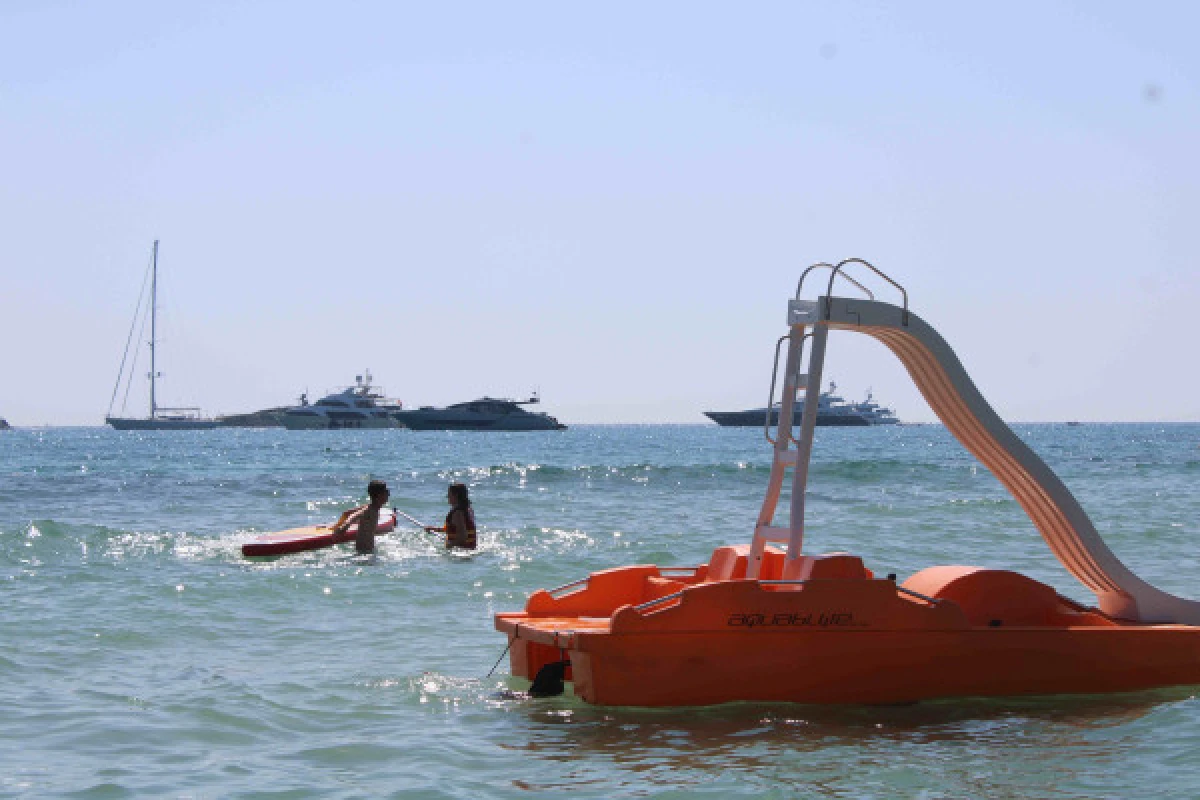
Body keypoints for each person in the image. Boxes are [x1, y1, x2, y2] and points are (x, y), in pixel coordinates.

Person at [333, 479, 390, 553]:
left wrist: (337, 525)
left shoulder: (373, 507)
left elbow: (347, 513)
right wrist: (344, 527)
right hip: (363, 551)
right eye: (387, 492)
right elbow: (354, 515)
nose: (388, 494)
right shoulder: (369, 510)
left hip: (367, 550)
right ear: (380, 495)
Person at [425, 482, 476, 549]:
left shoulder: (457, 513)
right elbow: (453, 529)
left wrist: (451, 544)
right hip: (469, 549)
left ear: (456, 496)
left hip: (461, 552)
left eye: (449, 494)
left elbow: (463, 536)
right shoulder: (468, 510)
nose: (447, 497)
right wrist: (433, 529)